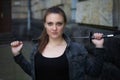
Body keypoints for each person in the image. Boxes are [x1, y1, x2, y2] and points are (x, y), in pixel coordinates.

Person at [10, 6, 105, 80]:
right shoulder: (36, 49)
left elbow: (94, 72)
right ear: (45, 25)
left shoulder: (77, 49)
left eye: (59, 24)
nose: (54, 28)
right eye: (50, 23)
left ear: (64, 25)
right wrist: (18, 55)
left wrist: (99, 46)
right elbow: (33, 71)